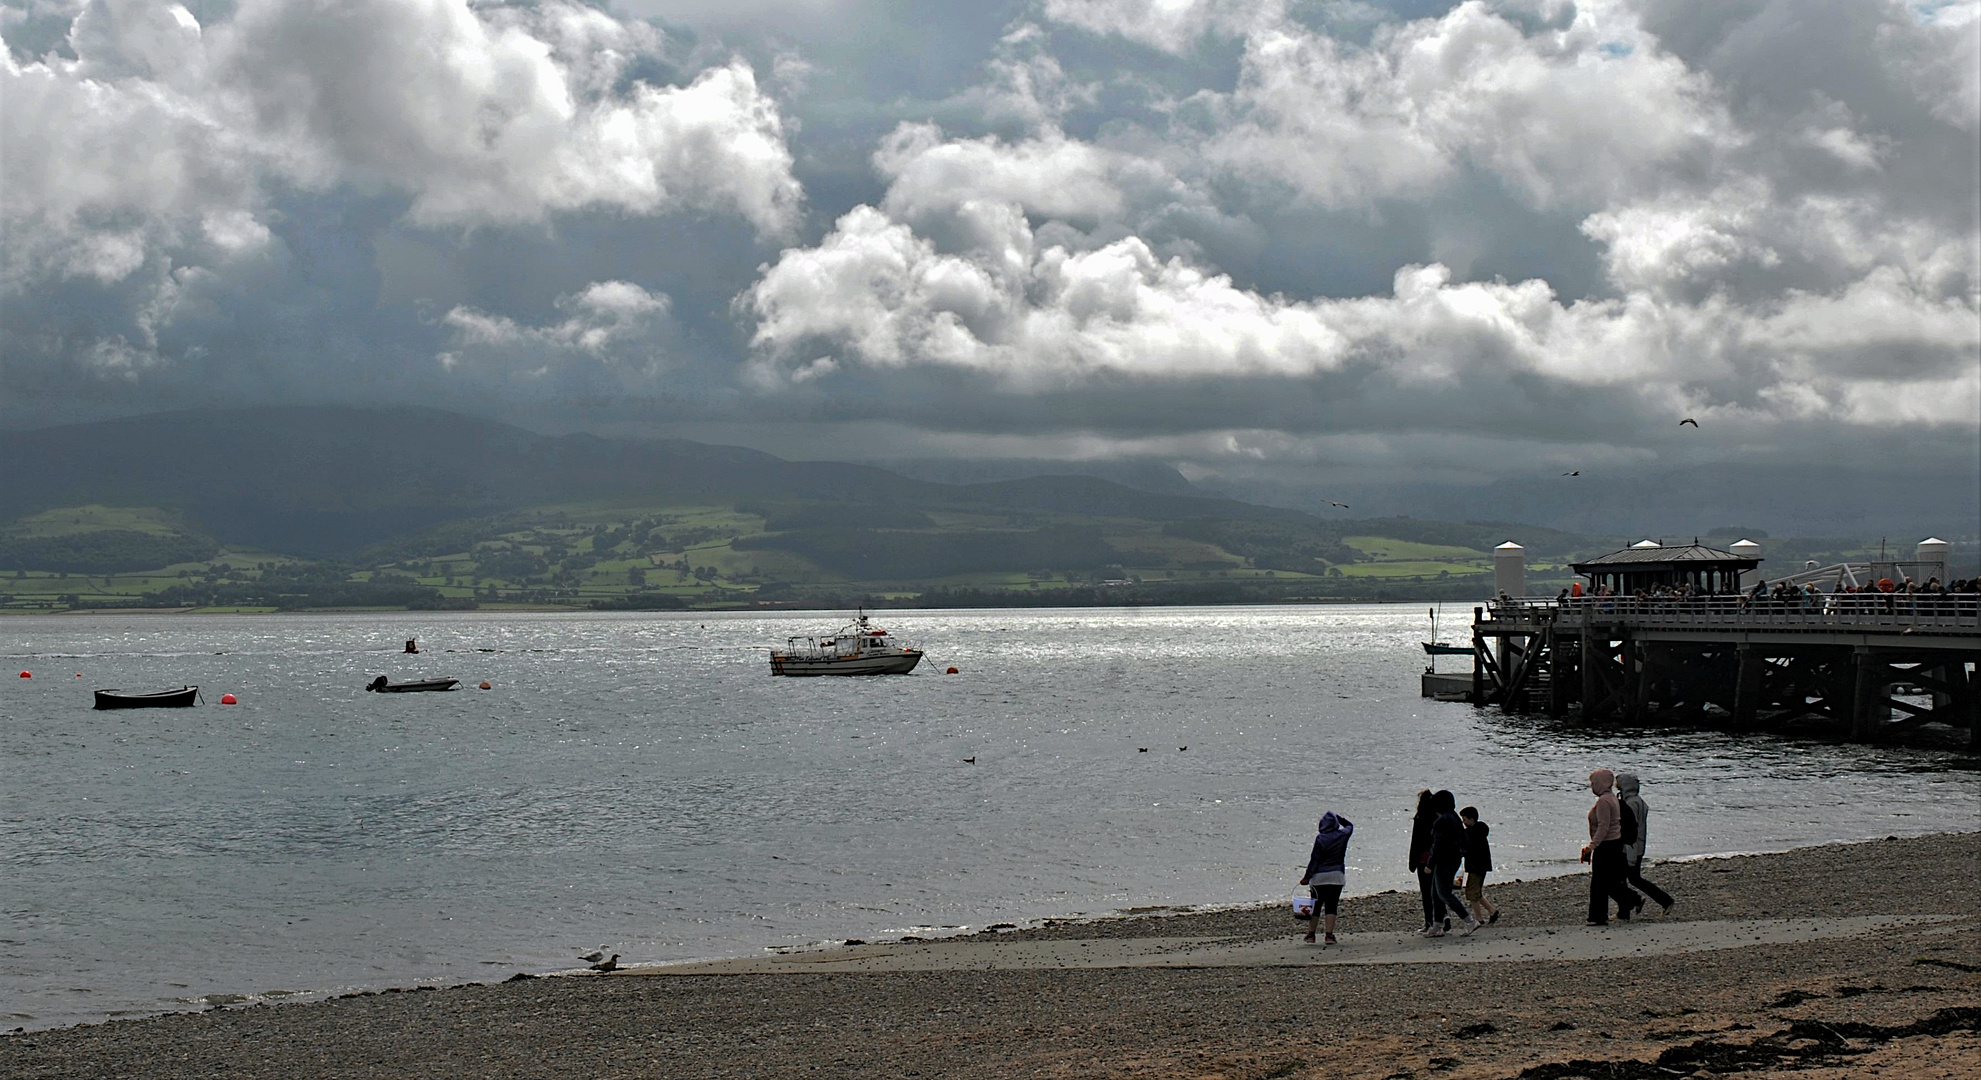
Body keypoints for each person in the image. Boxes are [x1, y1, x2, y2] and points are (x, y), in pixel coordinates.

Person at [1580, 769, 1643, 925]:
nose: (1592, 786)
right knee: (1607, 882)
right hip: (1614, 844)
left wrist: (1591, 846)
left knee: (1599, 883)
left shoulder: (1604, 802)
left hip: (1606, 845)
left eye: (1594, 783)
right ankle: (1629, 900)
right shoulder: (1612, 799)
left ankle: (1598, 916)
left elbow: (1603, 827)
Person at [1614, 773, 1674, 915]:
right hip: (1637, 846)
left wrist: (1629, 852)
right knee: (1633, 878)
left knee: (1624, 878)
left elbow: (1630, 829)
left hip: (1631, 847)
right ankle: (1661, 901)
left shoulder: (1631, 803)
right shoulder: (1639, 801)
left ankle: (1629, 907)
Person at [1297, 811, 1355, 945]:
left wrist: (1306, 878)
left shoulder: (1320, 838)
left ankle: (1311, 934)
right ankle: (1329, 935)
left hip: (1319, 878)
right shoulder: (1343, 835)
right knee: (1331, 905)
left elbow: (1314, 860)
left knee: (1316, 906)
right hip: (1336, 876)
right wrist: (1339, 818)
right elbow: (1350, 825)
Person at [1427, 790, 1478, 936]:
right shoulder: (1454, 817)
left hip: (1444, 861)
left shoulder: (1441, 821)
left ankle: (1468, 920)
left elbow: (1437, 845)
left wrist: (1429, 865)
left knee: (1443, 893)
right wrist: (1463, 853)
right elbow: (1464, 840)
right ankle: (1437, 925)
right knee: (1435, 893)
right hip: (1454, 859)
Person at [1408, 790, 1444, 935]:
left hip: (1423, 859)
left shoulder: (1420, 818)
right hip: (1438, 858)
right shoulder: (1438, 817)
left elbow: (1415, 842)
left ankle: (1429, 922)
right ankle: (1442, 918)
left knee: (1426, 892)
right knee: (1438, 891)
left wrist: (1412, 862)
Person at [1459, 806, 1499, 925]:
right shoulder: (1480, 831)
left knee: (1472, 893)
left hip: (1476, 866)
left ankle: (1479, 918)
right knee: (1475, 892)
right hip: (1481, 865)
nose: (1464, 823)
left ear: (1471, 819)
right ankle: (1491, 911)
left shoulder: (1472, 833)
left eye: (1465, 820)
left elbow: (1469, 848)